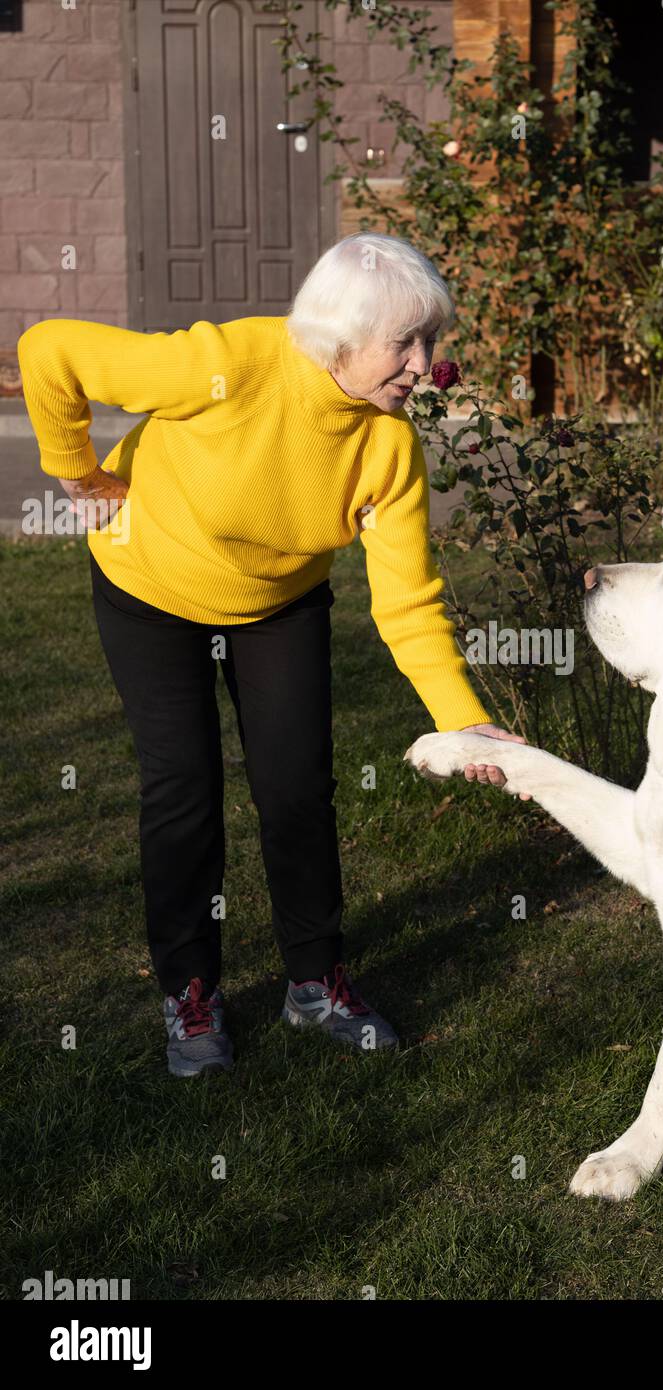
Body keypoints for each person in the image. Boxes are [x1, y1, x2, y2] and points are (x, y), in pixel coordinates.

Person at [17, 232, 526, 1078]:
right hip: (151, 588)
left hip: (278, 605)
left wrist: (462, 719)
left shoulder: (388, 449)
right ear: (338, 339)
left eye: (431, 341)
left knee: (297, 789)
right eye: (406, 343)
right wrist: (79, 477)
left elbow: (407, 604)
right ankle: (190, 993)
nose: (425, 364)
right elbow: (49, 352)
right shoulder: (229, 365)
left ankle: (315, 983)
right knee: (183, 789)